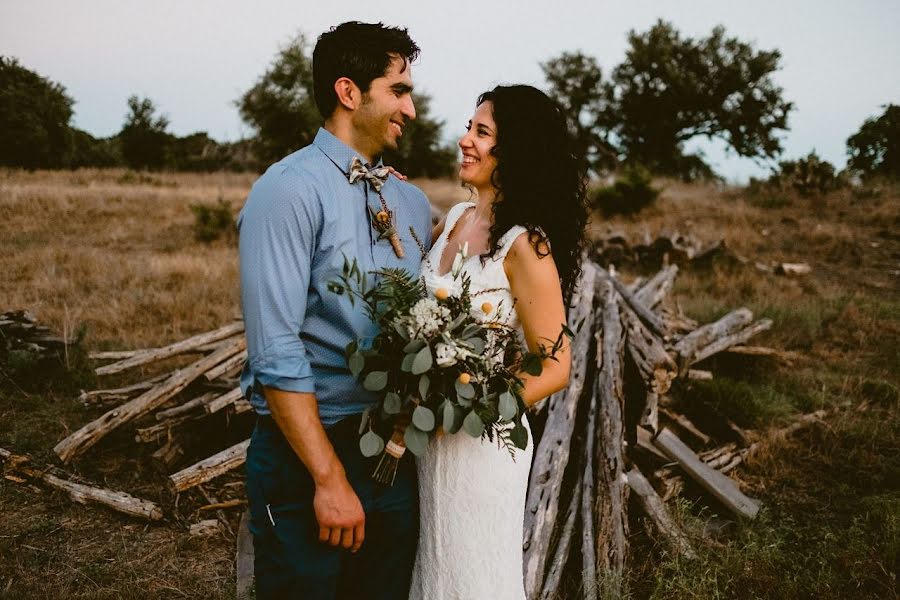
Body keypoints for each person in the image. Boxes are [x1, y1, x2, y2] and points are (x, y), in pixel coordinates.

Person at [237, 22, 432, 600]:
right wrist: (328, 477)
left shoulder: (411, 202)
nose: (412, 109)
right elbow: (275, 351)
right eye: (398, 90)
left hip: (392, 455)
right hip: (307, 455)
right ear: (350, 93)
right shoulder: (287, 191)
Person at [409, 85, 588, 599]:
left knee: (474, 576)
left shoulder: (525, 245)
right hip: (430, 444)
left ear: (515, 152)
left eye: (481, 132)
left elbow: (555, 366)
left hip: (482, 445)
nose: (465, 140)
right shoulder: (454, 221)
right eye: (469, 127)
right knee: (433, 571)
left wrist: (466, 409)